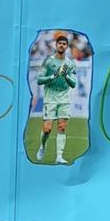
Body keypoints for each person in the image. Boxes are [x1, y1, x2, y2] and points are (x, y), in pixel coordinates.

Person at [34, 32, 77, 164]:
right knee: (47, 129)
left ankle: (59, 156)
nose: (62, 46)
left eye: (64, 44)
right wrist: (52, 76)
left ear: (67, 46)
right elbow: (39, 80)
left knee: (62, 127)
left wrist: (65, 76)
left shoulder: (70, 64)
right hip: (50, 98)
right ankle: (42, 146)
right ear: (56, 45)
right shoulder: (48, 61)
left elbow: (73, 84)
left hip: (64, 99)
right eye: (60, 43)